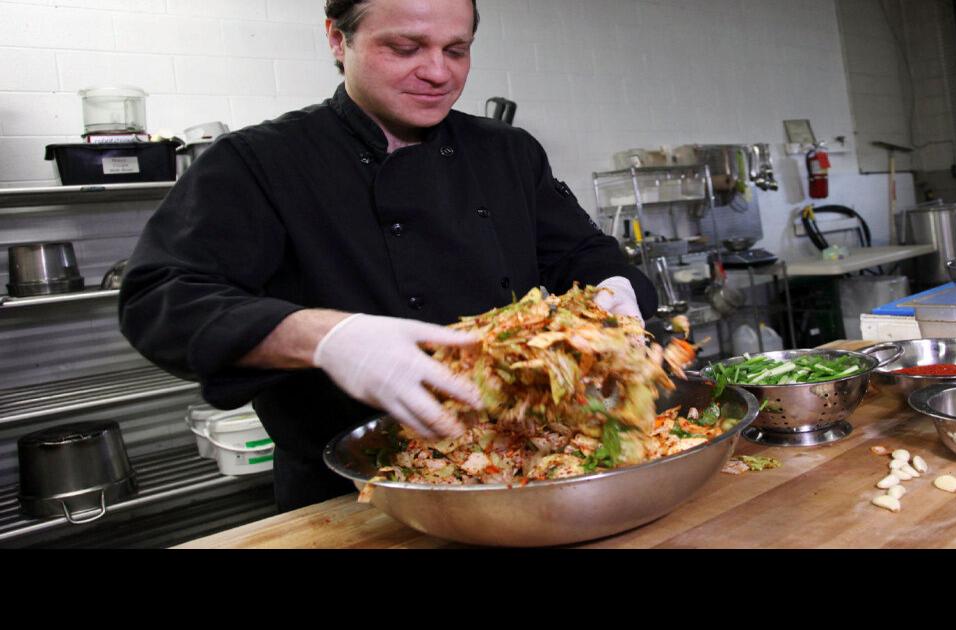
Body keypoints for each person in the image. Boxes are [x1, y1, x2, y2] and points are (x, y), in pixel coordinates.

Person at [118, 0, 658, 512]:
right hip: (347, 493)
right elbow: (160, 298)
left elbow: (582, 252)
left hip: (527, 466)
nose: (439, 72)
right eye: (405, 48)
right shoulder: (260, 161)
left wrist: (614, 288)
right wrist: (325, 337)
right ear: (338, 39)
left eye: (456, 50)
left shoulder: (509, 152)